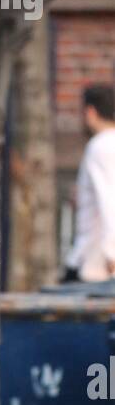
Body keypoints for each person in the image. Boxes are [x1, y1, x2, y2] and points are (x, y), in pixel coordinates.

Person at [62, 84, 115, 284]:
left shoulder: (100, 147)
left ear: (90, 112)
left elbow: (109, 200)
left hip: (95, 263)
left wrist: (112, 252)